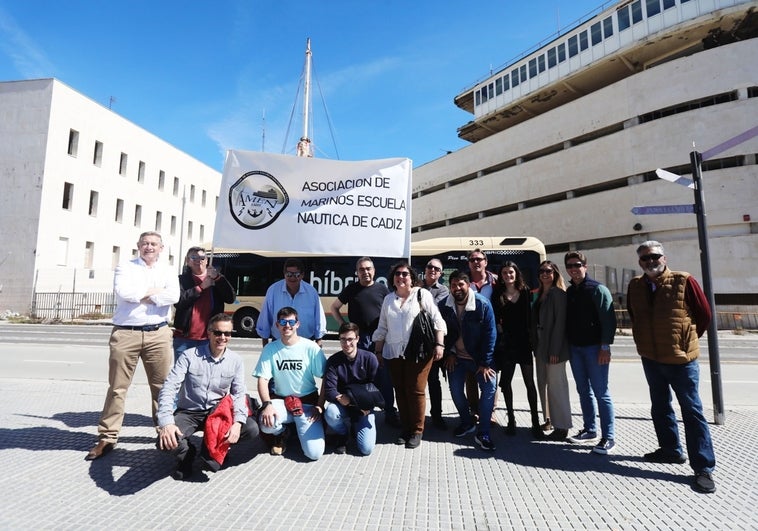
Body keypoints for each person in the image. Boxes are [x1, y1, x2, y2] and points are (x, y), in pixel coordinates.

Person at [626, 241, 717, 494]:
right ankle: (670, 451)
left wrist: (685, 341)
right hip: (651, 358)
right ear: (640, 262)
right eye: (645, 258)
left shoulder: (683, 280)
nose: (650, 261)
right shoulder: (635, 285)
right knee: (660, 406)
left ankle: (703, 468)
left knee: (692, 411)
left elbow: (704, 315)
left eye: (654, 256)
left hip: (681, 361)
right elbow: (635, 315)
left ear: (664, 258)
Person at [86, 231, 180, 461]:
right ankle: (108, 436)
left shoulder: (167, 270)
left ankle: (163, 430)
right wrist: (156, 292)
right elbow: (124, 293)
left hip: (158, 333)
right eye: (145, 243)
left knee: (162, 387)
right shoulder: (125, 268)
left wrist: (145, 295)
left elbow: (174, 296)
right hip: (125, 333)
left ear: (161, 248)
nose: (149, 247)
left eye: (154, 244)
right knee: (117, 388)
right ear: (139, 245)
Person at [156, 314, 259, 480]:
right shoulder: (189, 356)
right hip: (189, 412)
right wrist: (166, 422)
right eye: (218, 333)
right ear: (209, 333)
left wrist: (238, 423)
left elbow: (239, 393)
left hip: (217, 413)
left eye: (227, 333)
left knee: (251, 428)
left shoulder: (236, 360)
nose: (223, 337)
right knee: (166, 442)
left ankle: (212, 450)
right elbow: (169, 387)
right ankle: (188, 454)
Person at [372, 262, 446, 449]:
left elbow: (437, 320)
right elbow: (382, 327)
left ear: (412, 277)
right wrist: (378, 351)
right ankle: (405, 428)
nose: (401, 277)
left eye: (405, 274)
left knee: (416, 390)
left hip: (419, 352)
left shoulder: (423, 295)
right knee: (401, 390)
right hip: (394, 353)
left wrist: (440, 345)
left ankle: (417, 430)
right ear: (393, 278)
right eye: (397, 274)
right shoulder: (389, 299)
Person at [329, 257, 397, 427]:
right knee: (359, 378)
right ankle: (359, 409)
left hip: (379, 339)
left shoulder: (382, 289)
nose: (365, 272)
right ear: (357, 272)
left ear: (373, 270)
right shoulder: (351, 289)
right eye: (361, 269)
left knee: (384, 378)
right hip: (358, 340)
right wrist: (344, 327)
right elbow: (334, 307)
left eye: (368, 268)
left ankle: (389, 411)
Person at [253, 306, 327, 460]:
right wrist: (267, 404)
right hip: (282, 401)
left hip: (307, 404)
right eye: (283, 322)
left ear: (298, 324)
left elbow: (326, 377)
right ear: (277, 325)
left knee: (314, 454)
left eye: (291, 322)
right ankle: (281, 433)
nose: (287, 325)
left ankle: (298, 429)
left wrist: (319, 405)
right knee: (266, 424)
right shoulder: (270, 349)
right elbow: (263, 379)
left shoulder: (311, 347)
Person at [564, 251, 618, 454]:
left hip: (595, 349)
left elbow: (608, 321)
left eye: (577, 264)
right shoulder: (570, 292)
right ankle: (589, 430)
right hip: (575, 349)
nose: (574, 268)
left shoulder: (598, 290)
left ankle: (609, 437)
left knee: (601, 393)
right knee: (583, 391)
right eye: (569, 266)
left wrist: (605, 347)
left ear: (585, 266)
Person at [439, 271, 498, 451]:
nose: (457, 288)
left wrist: (485, 363)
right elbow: (442, 331)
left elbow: (490, 335)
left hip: (480, 359)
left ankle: (484, 432)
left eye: (460, 284)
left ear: (468, 285)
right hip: (456, 357)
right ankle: (467, 422)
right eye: (454, 285)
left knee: (490, 388)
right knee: (455, 390)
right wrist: (449, 352)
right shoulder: (444, 305)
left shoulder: (482, 304)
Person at [492, 262, 541, 438]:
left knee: (530, 383)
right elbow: (496, 319)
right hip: (507, 344)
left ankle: (535, 422)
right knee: (506, 383)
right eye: (504, 272)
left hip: (524, 343)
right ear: (501, 275)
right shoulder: (497, 293)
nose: (508, 275)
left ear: (516, 273)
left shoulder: (526, 291)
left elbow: (532, 318)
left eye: (511, 272)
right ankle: (511, 420)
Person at [320, 322, 380, 455]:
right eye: (343, 339)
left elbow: (377, 388)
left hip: (364, 408)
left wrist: (363, 404)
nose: (346, 344)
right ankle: (343, 434)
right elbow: (329, 391)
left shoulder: (370, 358)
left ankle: (356, 426)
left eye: (350, 339)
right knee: (330, 413)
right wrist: (340, 397)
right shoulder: (334, 361)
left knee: (366, 449)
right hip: (343, 404)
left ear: (357, 339)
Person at [530, 260, 572, 441]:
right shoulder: (540, 294)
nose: (544, 274)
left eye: (548, 271)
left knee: (557, 386)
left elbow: (560, 324)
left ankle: (562, 426)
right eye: (541, 271)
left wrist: (555, 350)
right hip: (540, 346)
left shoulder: (558, 294)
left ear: (555, 273)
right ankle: (549, 420)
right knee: (542, 384)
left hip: (554, 347)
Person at [173, 247, 235, 359]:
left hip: (210, 338)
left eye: (202, 257)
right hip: (184, 339)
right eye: (194, 257)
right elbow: (179, 302)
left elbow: (230, 298)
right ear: (187, 261)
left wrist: (217, 278)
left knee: (208, 374)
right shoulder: (181, 280)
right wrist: (201, 288)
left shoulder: (216, 278)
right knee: (181, 375)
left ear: (207, 261)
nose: (198, 260)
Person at [256, 258, 327, 347]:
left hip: (305, 344)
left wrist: (319, 342)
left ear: (302, 275)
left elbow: (319, 318)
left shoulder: (311, 292)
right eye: (289, 274)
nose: (292, 278)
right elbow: (265, 318)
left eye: (296, 274)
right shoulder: (273, 291)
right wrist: (265, 346)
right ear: (284, 274)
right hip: (279, 344)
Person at [465, 249, 498, 420]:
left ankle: (490, 412)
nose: (476, 262)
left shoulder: (496, 282)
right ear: (468, 263)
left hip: (490, 334)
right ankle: (474, 410)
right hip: (470, 337)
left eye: (479, 259)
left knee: (490, 375)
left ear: (485, 262)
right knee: (471, 377)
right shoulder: (464, 283)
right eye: (472, 260)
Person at [422, 258, 450, 430]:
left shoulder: (443, 290)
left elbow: (433, 310)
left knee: (433, 380)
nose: (432, 270)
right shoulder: (416, 285)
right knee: (415, 382)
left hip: (434, 341)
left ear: (440, 273)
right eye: (430, 267)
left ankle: (437, 415)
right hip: (416, 342)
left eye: (436, 268)